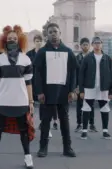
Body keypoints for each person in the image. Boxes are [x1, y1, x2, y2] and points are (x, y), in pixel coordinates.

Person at [0, 25, 35, 169]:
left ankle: (28, 158)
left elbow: (28, 82)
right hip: (3, 100)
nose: (12, 40)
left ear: (20, 40)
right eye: (9, 38)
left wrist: (31, 101)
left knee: (24, 131)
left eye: (15, 38)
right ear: (4, 40)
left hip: (21, 101)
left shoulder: (26, 59)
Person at [34, 23, 76, 158]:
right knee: (45, 121)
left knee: (64, 120)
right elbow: (37, 73)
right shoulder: (42, 52)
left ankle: (67, 148)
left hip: (63, 91)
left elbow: (74, 71)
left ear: (60, 33)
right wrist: (39, 92)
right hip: (47, 92)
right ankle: (43, 148)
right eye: (50, 32)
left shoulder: (68, 51)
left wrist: (72, 90)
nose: (53, 34)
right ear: (47, 34)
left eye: (55, 31)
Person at [79, 37, 112, 140]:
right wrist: (81, 90)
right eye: (95, 43)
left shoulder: (107, 58)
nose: (97, 45)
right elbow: (81, 75)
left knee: (105, 108)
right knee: (86, 107)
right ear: (92, 45)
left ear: (101, 44)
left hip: (104, 87)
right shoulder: (87, 58)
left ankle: (105, 131)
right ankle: (84, 131)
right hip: (89, 87)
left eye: (99, 43)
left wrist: (111, 90)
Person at [27, 34, 57, 136]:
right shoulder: (29, 54)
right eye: (36, 41)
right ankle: (29, 124)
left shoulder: (46, 53)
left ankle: (45, 126)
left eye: (40, 41)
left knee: (43, 105)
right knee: (29, 104)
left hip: (42, 82)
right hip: (30, 81)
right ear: (34, 42)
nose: (38, 42)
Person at [75, 37, 97, 133]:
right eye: (83, 44)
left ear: (89, 45)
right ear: (81, 46)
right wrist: (76, 86)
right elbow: (75, 73)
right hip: (80, 85)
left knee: (91, 105)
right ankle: (79, 124)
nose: (85, 46)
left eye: (87, 44)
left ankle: (91, 124)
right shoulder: (77, 58)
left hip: (90, 84)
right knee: (79, 105)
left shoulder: (94, 57)